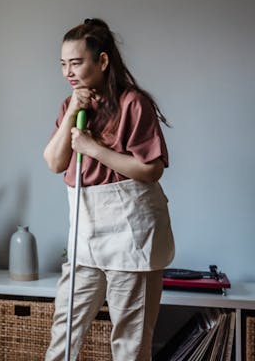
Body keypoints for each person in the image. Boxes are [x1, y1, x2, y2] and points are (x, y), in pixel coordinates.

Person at [42, 18, 174, 361]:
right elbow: (55, 162)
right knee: (64, 331)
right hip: (85, 236)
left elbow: (151, 169)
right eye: (63, 64)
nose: (68, 72)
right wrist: (73, 109)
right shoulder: (70, 106)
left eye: (76, 62)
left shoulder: (134, 104)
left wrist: (94, 149)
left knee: (130, 343)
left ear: (102, 61)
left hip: (131, 237)